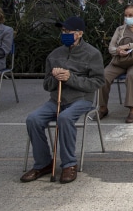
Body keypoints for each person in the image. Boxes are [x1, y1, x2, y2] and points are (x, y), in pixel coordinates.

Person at [20, 17, 105, 184]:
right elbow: (47, 85)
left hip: (81, 98)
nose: (65, 34)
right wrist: (54, 77)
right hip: (56, 99)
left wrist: (70, 78)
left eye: (69, 31)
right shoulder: (54, 55)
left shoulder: (92, 53)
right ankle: (43, 163)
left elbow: (98, 82)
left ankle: (69, 164)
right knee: (33, 119)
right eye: (63, 31)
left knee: (65, 118)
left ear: (80, 33)